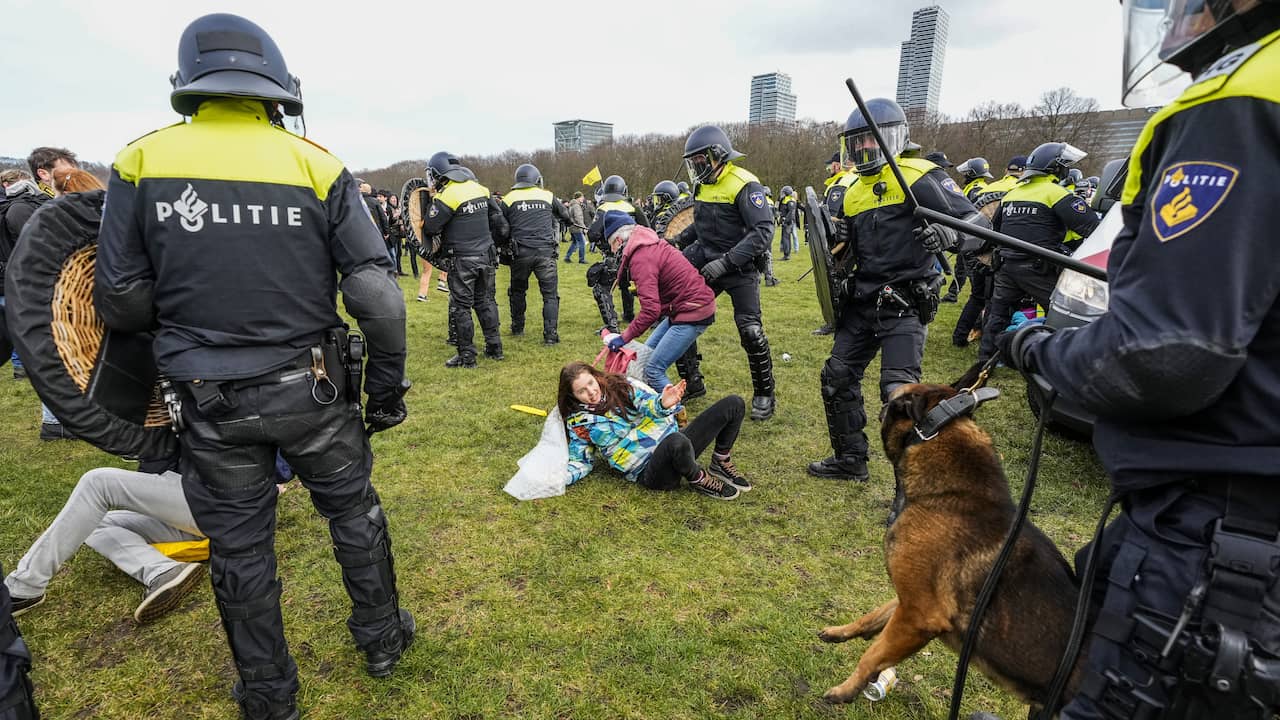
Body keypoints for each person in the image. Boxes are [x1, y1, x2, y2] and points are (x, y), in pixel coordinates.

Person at [93, 14, 414, 718]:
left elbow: (118, 301)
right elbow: (376, 297)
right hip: (315, 388)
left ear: (189, 85)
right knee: (354, 515)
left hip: (207, 401)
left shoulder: (139, 161)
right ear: (274, 86)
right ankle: (383, 637)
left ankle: (269, 695)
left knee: (240, 551)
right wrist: (385, 391)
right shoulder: (316, 163)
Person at [997, 3, 1280, 718]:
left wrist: (1044, 351)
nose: (1181, 18)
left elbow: (1166, 354)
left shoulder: (1243, 98)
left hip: (1227, 527)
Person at [807, 98, 988, 481]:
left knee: (900, 394)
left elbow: (977, 221)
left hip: (905, 301)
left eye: (873, 140)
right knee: (836, 376)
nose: (865, 149)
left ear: (896, 137)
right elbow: (842, 253)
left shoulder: (921, 175)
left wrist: (950, 231)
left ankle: (909, 486)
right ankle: (850, 460)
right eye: (857, 143)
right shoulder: (852, 188)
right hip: (862, 300)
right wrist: (839, 236)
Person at [6, 461, 207, 624]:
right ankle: (162, 571)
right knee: (92, 522)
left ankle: (23, 589)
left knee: (98, 482)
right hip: (204, 504)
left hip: (222, 503)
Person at [674, 125, 777, 420]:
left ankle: (764, 393)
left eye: (700, 159)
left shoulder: (745, 184)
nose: (695, 166)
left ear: (717, 155)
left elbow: (763, 232)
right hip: (705, 261)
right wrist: (677, 240)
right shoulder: (703, 185)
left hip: (739, 266)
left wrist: (727, 262)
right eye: (692, 161)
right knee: (681, 314)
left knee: (750, 329)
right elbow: (702, 224)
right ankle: (692, 382)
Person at [976, 142, 1101, 363]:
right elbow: (1091, 226)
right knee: (1058, 312)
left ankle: (985, 359)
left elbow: (995, 228)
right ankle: (1056, 359)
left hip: (1006, 265)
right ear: (1058, 168)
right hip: (1039, 267)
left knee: (998, 314)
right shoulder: (1056, 193)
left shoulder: (1012, 194)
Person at [557, 362, 750, 500]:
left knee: (734, 403)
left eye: (590, 383)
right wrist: (556, 479)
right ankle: (699, 478)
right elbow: (580, 460)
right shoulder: (579, 423)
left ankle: (720, 461)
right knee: (676, 441)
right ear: (573, 396)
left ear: (595, 376)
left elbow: (647, 403)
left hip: (674, 445)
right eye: (581, 391)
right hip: (650, 471)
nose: (590, 392)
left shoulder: (621, 385)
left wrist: (662, 404)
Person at [600, 211, 716, 395]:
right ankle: (649, 402)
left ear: (619, 241)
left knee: (653, 370)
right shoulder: (646, 244)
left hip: (693, 311)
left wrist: (624, 337)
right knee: (644, 355)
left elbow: (650, 311)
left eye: (611, 245)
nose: (613, 252)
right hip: (680, 309)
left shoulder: (641, 257)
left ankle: (675, 415)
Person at [421, 151, 509, 368]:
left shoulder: (447, 196)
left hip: (462, 260)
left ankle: (467, 356)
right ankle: (494, 348)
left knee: (462, 307)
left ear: (438, 173)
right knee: (486, 301)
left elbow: (431, 228)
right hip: (486, 256)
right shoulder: (481, 189)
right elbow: (498, 222)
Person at [499, 163, 572, 345]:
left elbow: (501, 226)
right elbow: (566, 216)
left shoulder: (508, 198)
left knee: (517, 292)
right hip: (545, 253)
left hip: (520, 254)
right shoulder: (547, 195)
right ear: (536, 179)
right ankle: (550, 335)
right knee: (550, 295)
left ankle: (517, 327)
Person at [586, 175, 649, 332]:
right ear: (624, 190)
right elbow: (648, 229)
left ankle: (612, 325)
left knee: (601, 287)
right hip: (638, 255)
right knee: (629, 284)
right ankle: (632, 315)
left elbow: (592, 234)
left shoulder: (603, 209)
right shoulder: (634, 207)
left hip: (614, 256)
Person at [564, 191, 589, 263]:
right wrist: (583, 227)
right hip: (577, 227)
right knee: (582, 243)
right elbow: (578, 218)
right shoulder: (576, 206)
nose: (583, 198)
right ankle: (582, 259)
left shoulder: (572, 205)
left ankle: (567, 257)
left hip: (572, 227)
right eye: (582, 197)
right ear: (578, 198)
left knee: (575, 243)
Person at [778, 186, 798, 260]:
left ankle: (786, 255)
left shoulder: (790, 200)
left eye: (783, 192)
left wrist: (785, 220)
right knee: (785, 238)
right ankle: (786, 254)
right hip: (786, 222)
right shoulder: (785, 200)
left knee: (786, 238)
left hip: (788, 223)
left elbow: (791, 212)